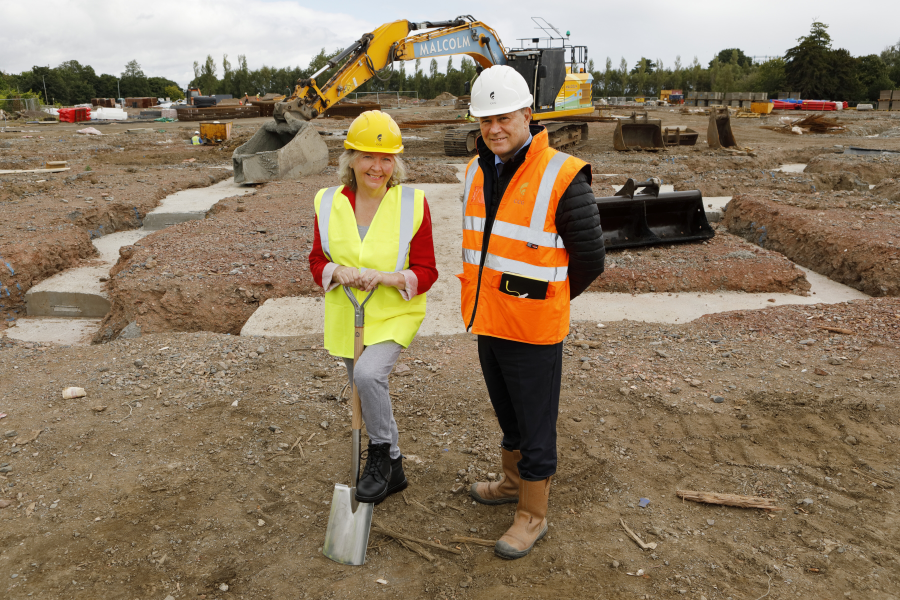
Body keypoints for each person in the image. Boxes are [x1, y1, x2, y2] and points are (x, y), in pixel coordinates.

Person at [458, 65, 605, 559]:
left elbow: (590, 258)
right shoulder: (478, 171)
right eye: (485, 121)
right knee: (509, 413)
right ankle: (510, 482)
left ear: (527, 114)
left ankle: (532, 514)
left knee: (536, 424)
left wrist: (552, 300)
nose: (494, 129)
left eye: (503, 118)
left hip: (533, 329)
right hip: (490, 319)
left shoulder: (562, 175)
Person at [309, 110, 438, 504]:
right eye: (367, 156)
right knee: (366, 389)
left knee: (367, 377)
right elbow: (317, 261)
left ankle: (379, 455)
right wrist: (339, 271)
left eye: (386, 159)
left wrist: (387, 278)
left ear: (395, 163)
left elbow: (427, 271)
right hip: (350, 314)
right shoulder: (327, 202)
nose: (376, 167)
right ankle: (394, 466)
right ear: (350, 159)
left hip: (396, 312)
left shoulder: (412, 203)